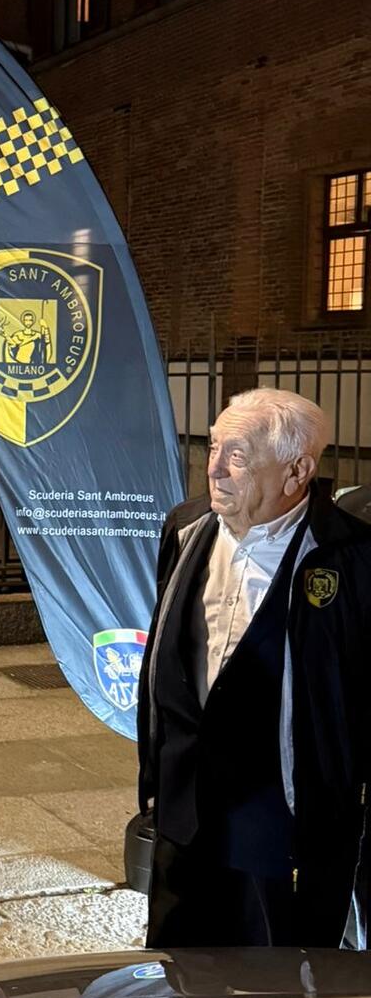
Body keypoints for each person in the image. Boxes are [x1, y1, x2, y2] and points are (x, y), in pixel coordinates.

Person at [139, 388, 371, 947]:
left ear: (298, 471)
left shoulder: (351, 555)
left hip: (281, 824)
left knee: (277, 980)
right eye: (214, 447)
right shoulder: (185, 527)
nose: (214, 468)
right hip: (183, 816)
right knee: (176, 971)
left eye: (237, 455)